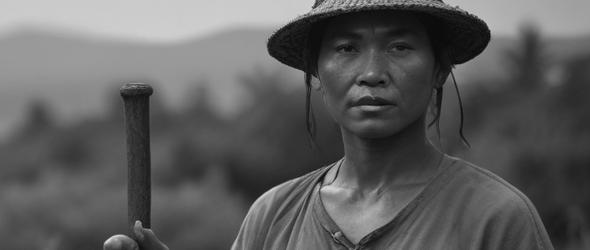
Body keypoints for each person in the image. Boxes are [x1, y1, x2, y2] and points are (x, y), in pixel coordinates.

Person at [104, 0, 555, 249]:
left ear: (439, 70)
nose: (372, 71)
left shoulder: (495, 219)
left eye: (400, 47)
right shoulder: (272, 217)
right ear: (315, 73)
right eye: (345, 48)